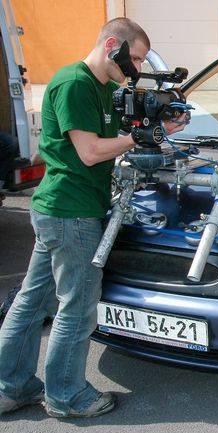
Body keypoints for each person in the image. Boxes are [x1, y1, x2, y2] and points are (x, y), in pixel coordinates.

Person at [0, 18, 186, 418]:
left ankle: (10, 387)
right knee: (78, 306)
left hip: (63, 209)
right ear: (112, 45)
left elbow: (119, 130)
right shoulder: (75, 83)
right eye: (133, 58)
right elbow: (88, 151)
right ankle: (67, 397)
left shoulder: (103, 87)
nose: (135, 69)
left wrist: (161, 123)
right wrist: (138, 138)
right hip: (71, 213)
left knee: (32, 303)